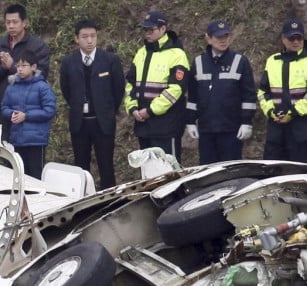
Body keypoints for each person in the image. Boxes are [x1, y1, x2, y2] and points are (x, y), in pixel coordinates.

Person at [59, 19, 124, 189]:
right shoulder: (68, 62)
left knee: (106, 165)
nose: (89, 40)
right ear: (76, 39)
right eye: (85, 36)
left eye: (93, 36)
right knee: (80, 165)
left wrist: (108, 110)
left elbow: (118, 90)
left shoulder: (110, 60)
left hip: (102, 121)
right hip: (80, 122)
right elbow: (66, 90)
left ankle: (110, 201)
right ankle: (83, 200)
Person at [186, 20, 257, 164]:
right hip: (206, 130)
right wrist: (190, 121)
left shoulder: (240, 61)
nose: (223, 40)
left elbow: (249, 95)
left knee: (230, 171)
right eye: (218, 37)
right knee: (207, 172)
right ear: (208, 38)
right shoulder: (199, 62)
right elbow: (193, 95)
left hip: (231, 129)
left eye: (225, 36)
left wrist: (246, 122)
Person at [124, 11, 189, 164]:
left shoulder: (176, 54)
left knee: (169, 172)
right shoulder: (141, 53)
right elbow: (130, 84)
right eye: (145, 30)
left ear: (163, 29)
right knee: (149, 172)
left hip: (167, 125)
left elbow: (175, 90)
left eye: (151, 30)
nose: (147, 34)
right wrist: (132, 108)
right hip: (143, 125)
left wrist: (151, 110)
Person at [0, 4, 50, 128]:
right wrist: (3, 67)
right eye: (8, 22)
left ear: (24, 22)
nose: (11, 26)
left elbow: (41, 74)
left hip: (30, 108)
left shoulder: (37, 45)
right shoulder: (0, 45)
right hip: (6, 108)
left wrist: (12, 67)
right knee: (6, 145)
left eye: (15, 22)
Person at [0, 51, 56, 179]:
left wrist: (26, 116)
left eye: (24, 65)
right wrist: (11, 114)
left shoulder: (42, 87)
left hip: (36, 140)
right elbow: (4, 107)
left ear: (34, 67)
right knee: (19, 176)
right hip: (16, 139)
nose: (20, 69)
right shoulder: (12, 86)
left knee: (35, 176)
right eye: (18, 66)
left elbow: (49, 110)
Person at [258, 19, 307, 162]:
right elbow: (263, 92)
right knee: (272, 170)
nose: (296, 42)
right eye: (291, 38)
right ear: (283, 39)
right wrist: (270, 112)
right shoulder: (272, 61)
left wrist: (293, 113)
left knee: (299, 172)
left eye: (299, 38)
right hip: (276, 128)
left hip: (301, 128)